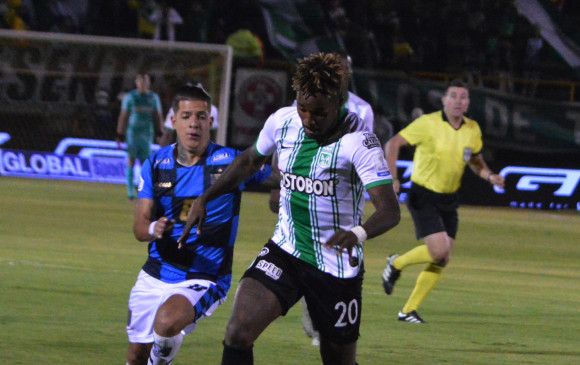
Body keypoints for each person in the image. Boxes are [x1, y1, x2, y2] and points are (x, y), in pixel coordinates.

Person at [178, 52, 401, 365]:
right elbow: (247, 161)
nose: (309, 119)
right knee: (238, 331)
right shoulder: (283, 121)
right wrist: (206, 197)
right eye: (303, 108)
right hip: (286, 250)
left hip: (335, 266)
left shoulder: (358, 141)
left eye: (319, 113)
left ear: (339, 102)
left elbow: (390, 210)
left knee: (338, 360)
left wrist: (358, 232)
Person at [124, 84, 271, 365]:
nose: (194, 123)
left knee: (167, 323)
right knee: (136, 355)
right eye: (188, 115)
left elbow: (275, 177)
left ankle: (161, 358)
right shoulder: (156, 164)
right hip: (155, 272)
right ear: (173, 121)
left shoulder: (230, 162)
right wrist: (154, 228)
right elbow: (139, 226)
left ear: (211, 122)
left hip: (205, 275)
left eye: (201, 116)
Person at [270, 54, 376, 346]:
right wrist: (278, 185)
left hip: (339, 196)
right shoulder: (305, 101)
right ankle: (312, 313)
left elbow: (364, 152)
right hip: (304, 186)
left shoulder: (362, 110)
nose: (309, 117)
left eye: (346, 71)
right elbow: (287, 142)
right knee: (299, 244)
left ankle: (322, 318)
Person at [381, 79, 505, 324]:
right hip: (423, 194)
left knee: (443, 258)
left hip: (449, 197)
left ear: (468, 102)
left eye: (463, 97)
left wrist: (489, 175)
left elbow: (475, 160)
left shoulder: (472, 129)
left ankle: (408, 310)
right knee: (439, 251)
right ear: (444, 100)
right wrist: (392, 177)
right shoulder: (427, 123)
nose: (459, 101)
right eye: (454, 96)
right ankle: (396, 263)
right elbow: (393, 143)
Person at [116, 73, 164, 200]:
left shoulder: (153, 97)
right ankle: (130, 192)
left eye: (145, 82)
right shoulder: (130, 97)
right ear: (137, 83)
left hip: (147, 133)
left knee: (145, 163)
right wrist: (119, 134)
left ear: (148, 83)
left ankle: (141, 187)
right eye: (140, 81)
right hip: (133, 133)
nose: (143, 84)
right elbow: (123, 116)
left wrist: (160, 132)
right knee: (131, 159)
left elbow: (157, 115)